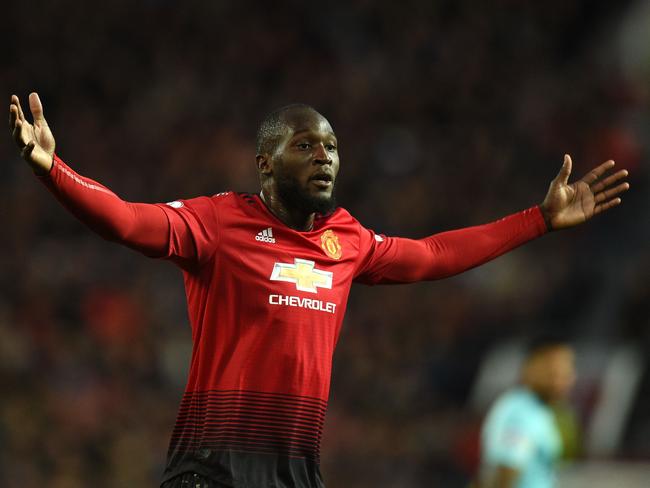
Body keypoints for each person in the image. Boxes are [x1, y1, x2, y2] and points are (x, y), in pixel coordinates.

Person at [9, 93, 629, 488]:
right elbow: (125, 220)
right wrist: (54, 170)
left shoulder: (348, 239)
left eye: (331, 146)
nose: (324, 157)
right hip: (212, 472)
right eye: (304, 145)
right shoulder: (219, 224)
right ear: (265, 163)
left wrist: (539, 219)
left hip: (297, 474)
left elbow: (435, 254)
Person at [478, 337, 577, 488]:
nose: (561, 377)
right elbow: (504, 475)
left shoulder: (541, 411)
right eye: (552, 368)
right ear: (529, 367)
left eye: (566, 368)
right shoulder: (521, 413)